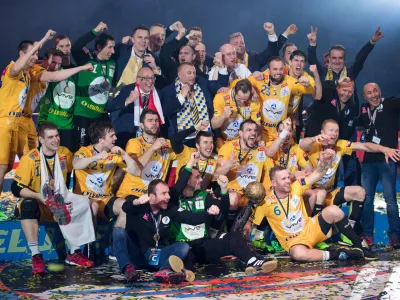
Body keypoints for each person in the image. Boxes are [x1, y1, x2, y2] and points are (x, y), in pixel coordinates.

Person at [249, 152, 376, 262]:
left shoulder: (296, 187)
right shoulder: (265, 202)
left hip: (311, 229)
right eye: (283, 179)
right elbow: (252, 225)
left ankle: (360, 247)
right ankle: (342, 254)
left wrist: (326, 161)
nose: (288, 181)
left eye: (288, 177)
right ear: (274, 183)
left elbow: (318, 174)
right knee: (298, 254)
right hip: (294, 242)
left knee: (334, 211)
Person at [169, 152, 278, 274]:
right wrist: (190, 162)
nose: (201, 179)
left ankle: (252, 261)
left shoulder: (203, 195)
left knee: (234, 237)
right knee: (184, 253)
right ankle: (183, 271)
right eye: (197, 177)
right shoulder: (173, 197)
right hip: (184, 246)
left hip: (203, 245)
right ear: (187, 180)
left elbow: (223, 212)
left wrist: (224, 190)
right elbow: (181, 183)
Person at [11, 122, 94, 274]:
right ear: (41, 140)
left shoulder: (64, 153)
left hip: (58, 201)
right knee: (28, 204)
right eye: (50, 137)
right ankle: (36, 255)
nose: (56, 140)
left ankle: (74, 252)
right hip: (39, 203)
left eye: (57, 136)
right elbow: (16, 188)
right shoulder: (30, 158)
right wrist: (38, 196)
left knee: (82, 201)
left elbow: (72, 174)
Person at [299, 119, 400, 245]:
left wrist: (384, 149)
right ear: (322, 132)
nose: (334, 133)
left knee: (360, 192)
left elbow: (364, 146)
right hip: (311, 195)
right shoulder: (314, 145)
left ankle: (348, 232)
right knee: (320, 194)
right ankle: (317, 236)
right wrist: (315, 138)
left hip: (328, 193)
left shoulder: (340, 145)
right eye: (331, 130)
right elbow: (302, 144)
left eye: (337, 131)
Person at [115, 179, 221, 283]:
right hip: (137, 256)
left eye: (168, 193)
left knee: (183, 246)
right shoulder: (138, 207)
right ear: (152, 196)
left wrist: (208, 212)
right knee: (118, 231)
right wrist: (137, 201)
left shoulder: (169, 209)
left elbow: (191, 218)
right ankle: (127, 269)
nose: (168, 197)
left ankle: (165, 270)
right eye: (164, 193)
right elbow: (126, 207)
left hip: (157, 256)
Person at [0, 30, 58, 193]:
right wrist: (45, 38)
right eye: (32, 53)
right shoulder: (13, 69)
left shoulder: (26, 74)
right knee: (1, 169)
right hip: (3, 123)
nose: (35, 56)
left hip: (18, 124)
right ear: (21, 54)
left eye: (36, 53)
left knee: (12, 166)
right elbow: (21, 64)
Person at [23, 48, 93, 153]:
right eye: (53, 63)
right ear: (45, 60)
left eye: (59, 64)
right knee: (38, 157)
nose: (56, 67)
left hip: (61, 124)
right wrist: (82, 67)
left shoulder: (59, 72)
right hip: (37, 121)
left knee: (64, 158)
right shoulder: (36, 70)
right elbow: (54, 77)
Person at [73, 122, 142, 227]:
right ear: (101, 140)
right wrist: (95, 158)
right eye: (111, 136)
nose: (115, 138)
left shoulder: (113, 155)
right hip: (85, 198)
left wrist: (124, 154)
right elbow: (76, 164)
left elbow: (136, 172)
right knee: (93, 207)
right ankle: (90, 243)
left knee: (126, 207)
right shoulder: (85, 151)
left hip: (106, 199)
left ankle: (117, 240)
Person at [359, 83, 400, 249]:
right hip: (368, 162)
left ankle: (395, 236)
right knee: (366, 199)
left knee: (390, 200)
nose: (373, 95)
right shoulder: (363, 109)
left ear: (380, 91)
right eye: (369, 93)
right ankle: (367, 236)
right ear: (365, 96)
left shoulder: (390, 104)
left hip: (387, 160)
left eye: (375, 91)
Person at [248, 57, 315, 142]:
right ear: (268, 70)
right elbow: (238, 84)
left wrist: (308, 84)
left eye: (281, 69)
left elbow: (310, 90)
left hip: (282, 133)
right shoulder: (260, 79)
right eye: (275, 69)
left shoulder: (290, 81)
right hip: (262, 134)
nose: (278, 72)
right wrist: (252, 89)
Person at [71, 22, 116, 148]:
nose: (113, 51)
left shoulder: (112, 63)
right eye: (110, 47)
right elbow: (75, 47)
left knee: (101, 151)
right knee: (82, 151)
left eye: (114, 47)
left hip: (100, 117)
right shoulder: (86, 60)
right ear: (99, 47)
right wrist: (95, 31)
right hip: (83, 116)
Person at [117, 109, 177, 199]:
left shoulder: (166, 144)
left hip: (154, 196)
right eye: (150, 120)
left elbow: (186, 154)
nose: (154, 123)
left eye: (156, 121)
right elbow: (136, 167)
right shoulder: (134, 143)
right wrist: (152, 148)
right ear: (141, 125)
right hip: (130, 193)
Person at [216, 119, 275, 210]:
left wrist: (268, 190)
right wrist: (228, 165)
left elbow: (270, 172)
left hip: (254, 192)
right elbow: (216, 174)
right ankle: (225, 222)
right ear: (240, 133)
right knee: (232, 200)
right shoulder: (228, 148)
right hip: (234, 191)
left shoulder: (260, 150)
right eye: (249, 130)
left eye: (255, 130)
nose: (253, 133)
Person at [38, 36, 84, 152]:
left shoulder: (75, 70)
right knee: (46, 159)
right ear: (56, 49)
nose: (66, 49)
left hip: (68, 125)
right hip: (48, 122)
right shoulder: (51, 68)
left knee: (67, 160)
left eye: (68, 45)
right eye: (61, 46)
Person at [107, 67, 165, 148]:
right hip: (127, 132)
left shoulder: (158, 94)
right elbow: (110, 106)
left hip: (148, 135)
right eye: (146, 78)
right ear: (138, 80)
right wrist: (127, 101)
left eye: (152, 78)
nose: (150, 81)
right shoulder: (128, 90)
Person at [162, 62, 213, 147]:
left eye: (194, 73)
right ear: (180, 75)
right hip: (182, 139)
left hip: (203, 136)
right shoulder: (168, 91)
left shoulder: (201, 84)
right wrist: (181, 97)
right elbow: (167, 111)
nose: (192, 76)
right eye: (189, 73)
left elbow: (214, 85)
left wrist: (221, 88)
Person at [211, 79, 261, 150]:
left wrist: (255, 142)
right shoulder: (221, 98)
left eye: (245, 99)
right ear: (234, 90)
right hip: (224, 140)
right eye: (239, 98)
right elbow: (213, 125)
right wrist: (223, 115)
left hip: (243, 140)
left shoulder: (253, 101)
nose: (242, 101)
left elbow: (258, 125)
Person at [265, 118, 313, 187]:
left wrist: (298, 176)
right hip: (271, 186)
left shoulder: (297, 148)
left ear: (293, 132)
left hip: (289, 187)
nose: (286, 134)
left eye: (289, 131)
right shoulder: (269, 145)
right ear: (277, 133)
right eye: (281, 131)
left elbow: (309, 170)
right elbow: (269, 153)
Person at [113, 25, 163, 90]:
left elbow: (159, 86)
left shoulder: (153, 58)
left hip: (140, 98)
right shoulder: (121, 50)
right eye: (140, 37)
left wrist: (155, 68)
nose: (143, 41)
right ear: (133, 39)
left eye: (146, 38)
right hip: (119, 96)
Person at [170, 121, 216, 189]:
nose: (209, 146)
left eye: (211, 142)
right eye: (205, 142)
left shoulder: (214, 162)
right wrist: (194, 128)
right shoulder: (187, 153)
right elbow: (174, 141)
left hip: (200, 196)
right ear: (197, 145)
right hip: (182, 194)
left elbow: (213, 183)